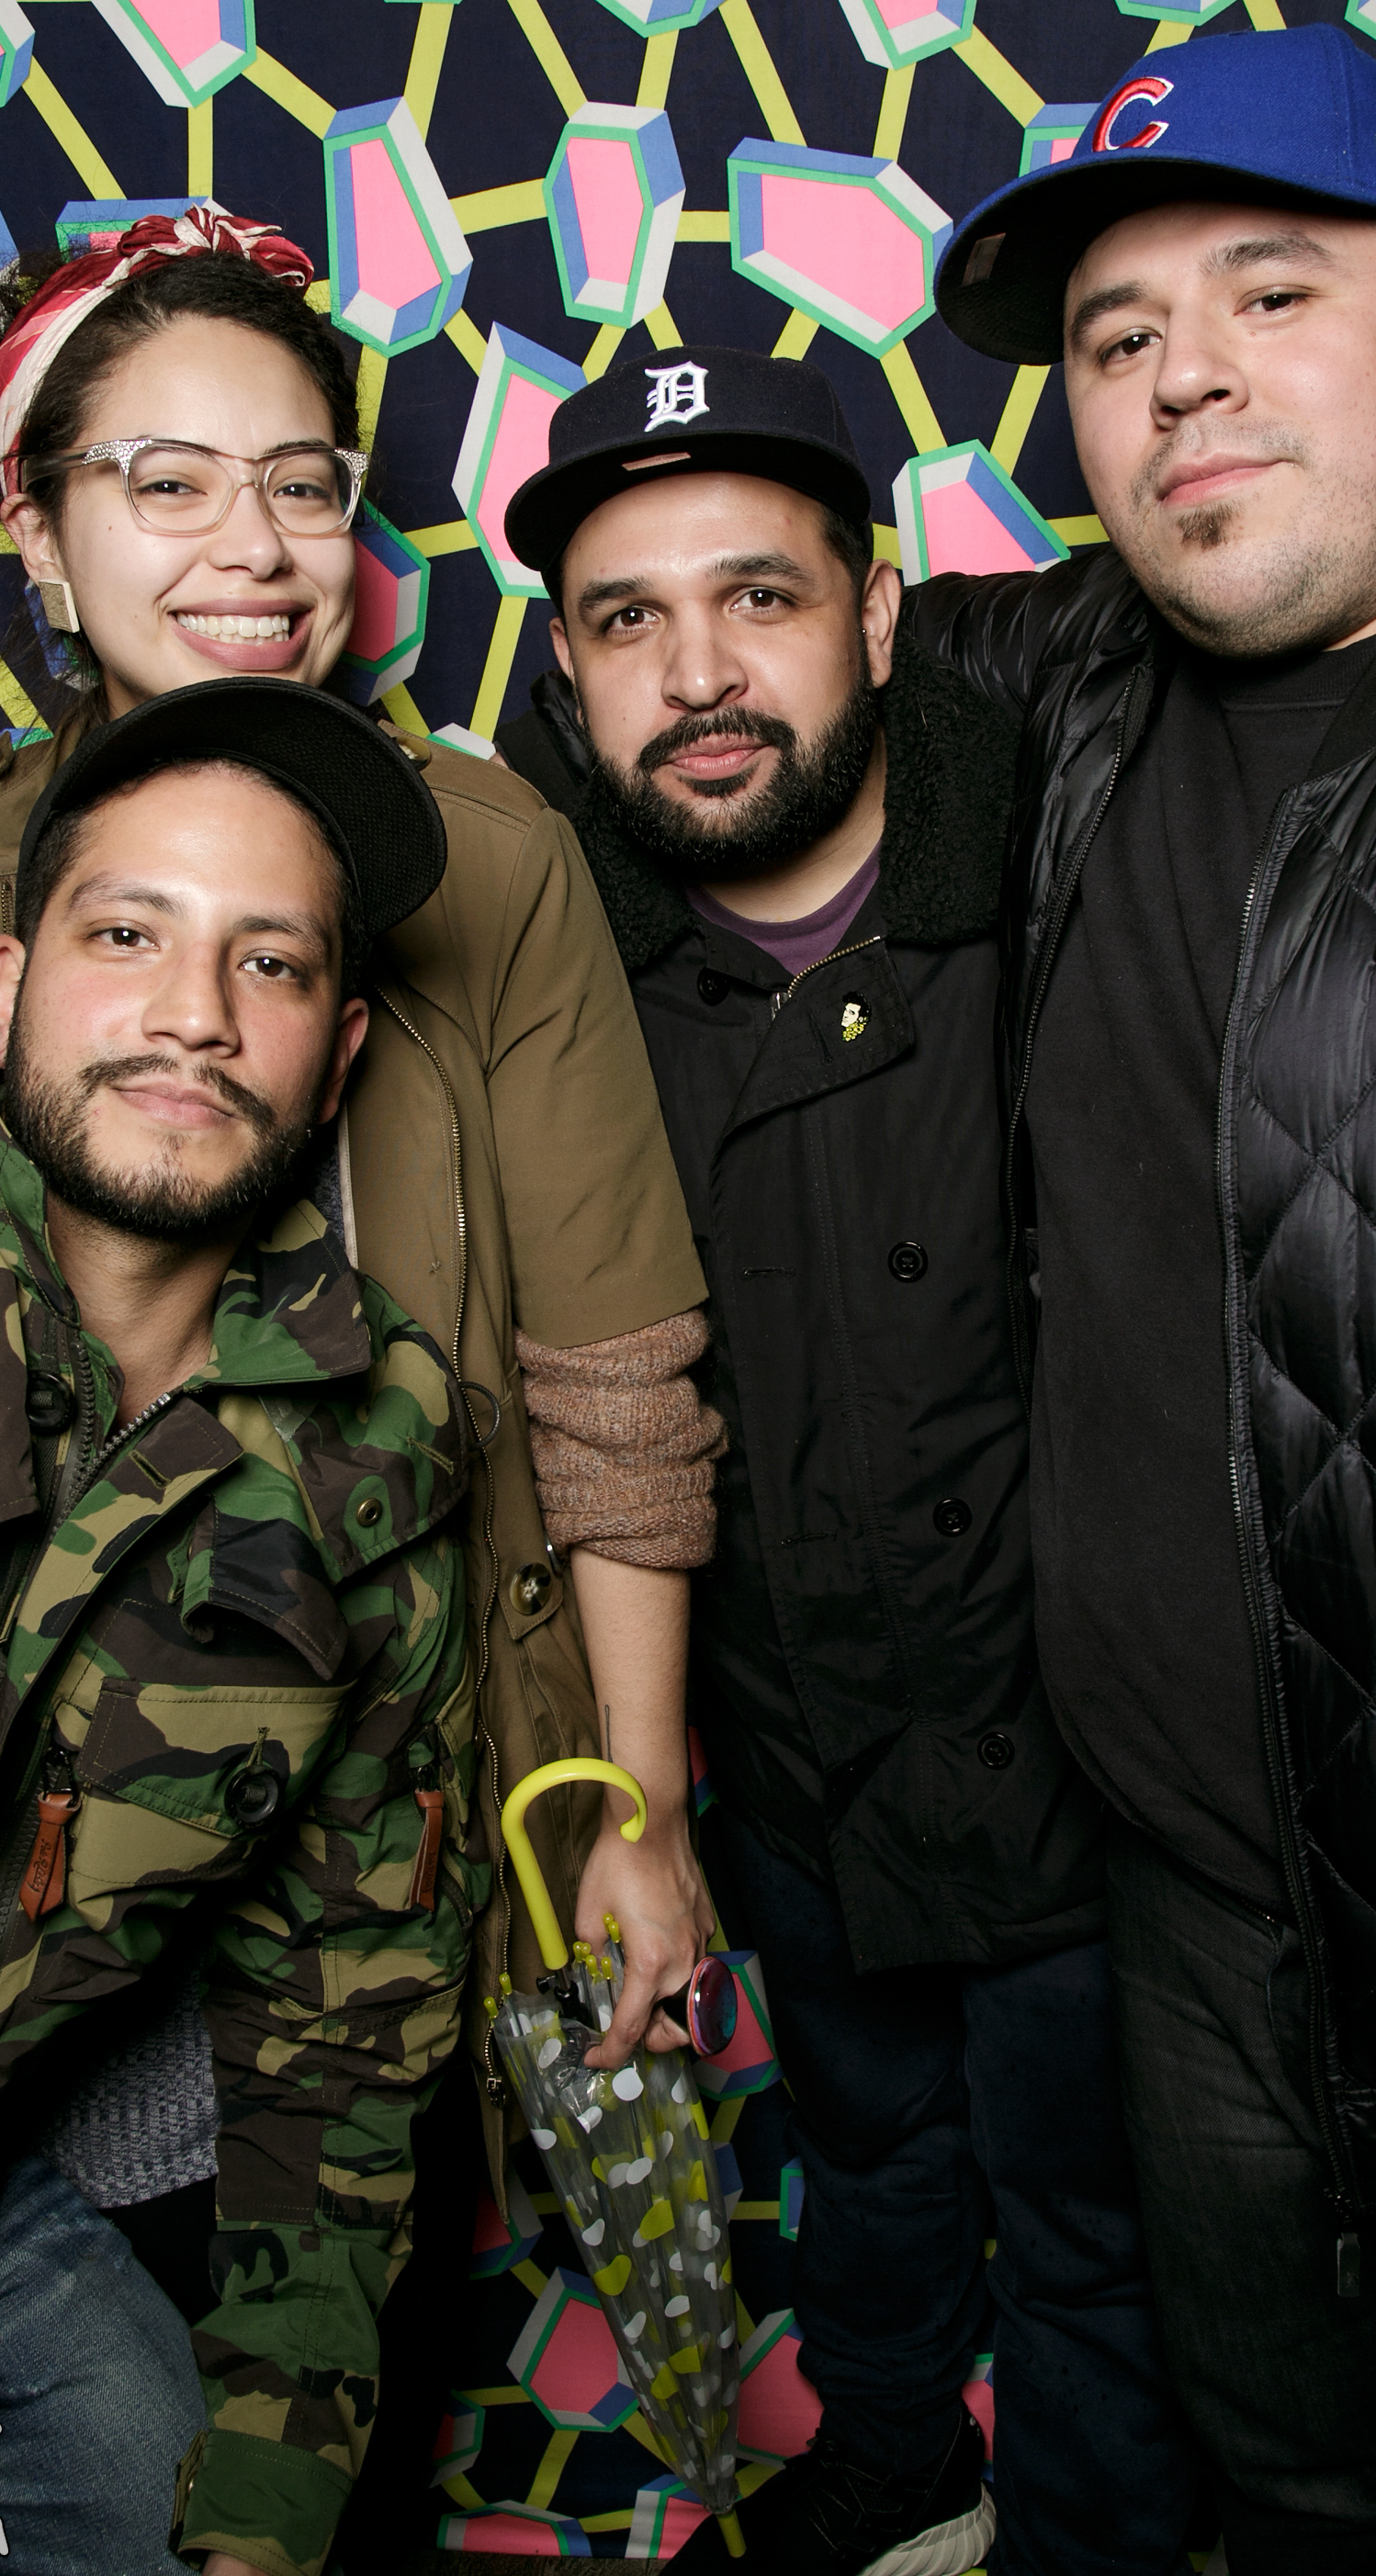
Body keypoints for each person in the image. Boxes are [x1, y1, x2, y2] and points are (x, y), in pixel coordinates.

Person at [0, 210, 723, 2298]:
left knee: (302, 2361)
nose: (255, 546)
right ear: (39, 540)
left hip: (369, 1831)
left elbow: (612, 1371)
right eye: (168, 482)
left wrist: (637, 1810)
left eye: (303, 485)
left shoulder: (479, 857)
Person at [914, 20, 1376, 2568]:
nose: (1182, 376)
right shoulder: (1065, 683)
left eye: (1270, 291)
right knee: (1297, 2500)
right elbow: (722, 689)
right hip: (1195, 1912)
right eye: (1115, 337)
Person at [498, 352, 1197, 2576]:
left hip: (1093, 1753)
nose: (698, 676)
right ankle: (897, 2453)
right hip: (793, 1756)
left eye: (760, 597)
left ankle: (1092, 2528)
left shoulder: (1087, 853)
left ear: (879, 613)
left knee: (1102, 2219)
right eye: (626, 619)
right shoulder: (552, 980)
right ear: (568, 671)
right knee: (867, 2151)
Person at [0, 683, 476, 2575]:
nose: (194, 1014)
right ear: (5, 987)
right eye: (128, 935)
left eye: (271, 962)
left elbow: (344, 2019)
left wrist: (271, 2495)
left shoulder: (371, 1449)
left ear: (340, 1052)